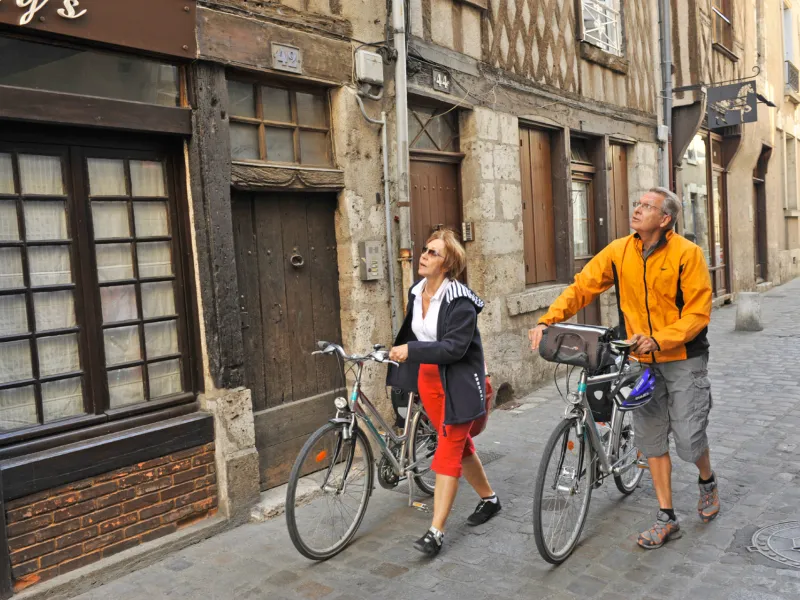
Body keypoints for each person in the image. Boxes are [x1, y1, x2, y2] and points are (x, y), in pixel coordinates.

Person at [529, 187, 719, 550]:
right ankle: (667, 516)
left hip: (683, 358)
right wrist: (547, 320)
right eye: (636, 204)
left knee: (689, 438)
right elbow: (583, 287)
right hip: (641, 360)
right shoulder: (620, 251)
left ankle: (706, 480)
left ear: (665, 219)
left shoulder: (687, 254)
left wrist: (661, 338)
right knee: (651, 439)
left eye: (646, 207)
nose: (637, 210)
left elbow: (698, 312)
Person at [387, 228, 500, 557]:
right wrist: (401, 354)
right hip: (429, 381)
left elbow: (453, 349)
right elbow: (414, 331)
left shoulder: (460, 302)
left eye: (433, 253)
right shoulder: (416, 290)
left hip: (459, 382)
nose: (423, 255)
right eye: (425, 249)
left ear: (448, 263)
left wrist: (411, 350)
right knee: (459, 444)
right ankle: (490, 500)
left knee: (447, 453)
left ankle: (435, 532)